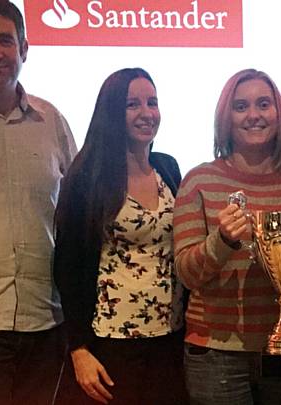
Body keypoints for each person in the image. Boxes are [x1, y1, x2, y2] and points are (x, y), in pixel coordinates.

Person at [173, 68, 281, 405]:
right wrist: (222, 241)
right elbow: (186, 273)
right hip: (216, 353)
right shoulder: (198, 181)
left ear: (279, 113)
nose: (254, 115)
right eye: (241, 106)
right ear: (226, 117)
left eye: (263, 104)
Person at [0, 1, 77, 404]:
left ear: (24, 47)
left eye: (5, 40)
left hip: (45, 319)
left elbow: (76, 209)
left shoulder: (51, 120)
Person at [53, 68, 187, 405]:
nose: (147, 113)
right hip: (110, 344)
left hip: (169, 340)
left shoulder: (168, 168)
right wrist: (79, 349)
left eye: (152, 102)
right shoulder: (88, 175)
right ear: (112, 112)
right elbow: (68, 267)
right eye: (132, 105)